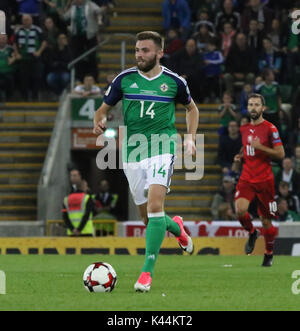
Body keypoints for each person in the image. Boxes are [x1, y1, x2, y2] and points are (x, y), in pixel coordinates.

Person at [93, 31, 199, 292]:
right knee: (148, 218)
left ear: (159, 53)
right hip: (132, 152)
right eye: (137, 50)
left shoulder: (174, 82)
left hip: (162, 146)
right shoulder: (124, 79)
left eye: (145, 50)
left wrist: (190, 139)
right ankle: (177, 228)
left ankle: (146, 274)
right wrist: (99, 121)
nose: (139, 55)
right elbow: (101, 110)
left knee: (154, 206)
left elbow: (192, 109)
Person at [233, 93, 285, 267]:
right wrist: (240, 156)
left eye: (256, 105)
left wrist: (260, 147)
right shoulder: (244, 128)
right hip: (247, 178)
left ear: (263, 108)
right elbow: (247, 145)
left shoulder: (271, 128)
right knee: (240, 210)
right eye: (250, 105)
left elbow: (280, 154)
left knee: (267, 221)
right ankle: (252, 232)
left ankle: (269, 253)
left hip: (265, 181)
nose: (253, 108)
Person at [14, 14, 47, 101]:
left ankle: (35, 97)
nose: (26, 21)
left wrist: (39, 51)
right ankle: (25, 97)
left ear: (31, 20)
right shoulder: (18, 30)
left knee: (36, 78)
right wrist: (17, 54)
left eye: (28, 19)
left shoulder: (37, 30)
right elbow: (14, 43)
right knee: (24, 79)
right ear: (22, 21)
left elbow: (44, 42)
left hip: (34, 58)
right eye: (24, 20)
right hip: (23, 58)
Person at [0, 34, 17, 101]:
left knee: (10, 79)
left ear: (7, 40)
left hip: (8, 71)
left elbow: (16, 55)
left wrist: (13, 58)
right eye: (1, 38)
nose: (2, 40)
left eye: (4, 38)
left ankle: (9, 97)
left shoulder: (10, 48)